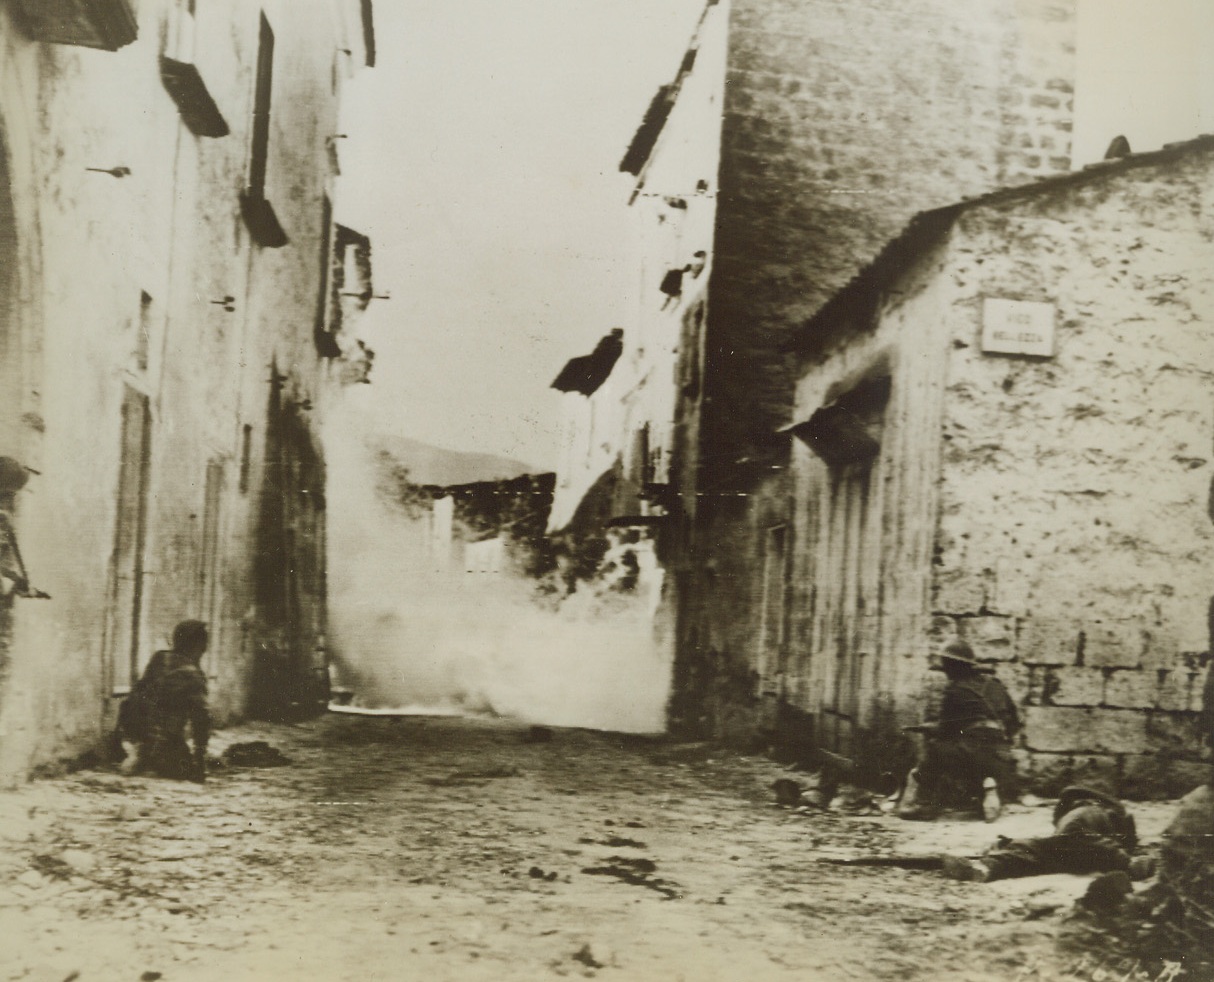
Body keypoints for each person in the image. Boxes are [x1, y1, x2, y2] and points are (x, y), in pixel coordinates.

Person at [898, 640, 1020, 821]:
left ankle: (924, 805)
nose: (945, 670)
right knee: (974, 754)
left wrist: (926, 728)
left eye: (947, 666)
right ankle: (988, 791)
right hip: (1003, 759)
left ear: (955, 667)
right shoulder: (996, 685)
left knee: (936, 749)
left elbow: (946, 730)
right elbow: (1015, 722)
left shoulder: (955, 690)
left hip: (973, 754)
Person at [941, 786, 1151, 882]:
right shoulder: (1082, 816)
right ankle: (986, 868)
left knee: (1053, 845)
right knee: (1043, 857)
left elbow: (1070, 797)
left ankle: (990, 865)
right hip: (1090, 849)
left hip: (1089, 826)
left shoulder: (1092, 809)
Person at [127, 620, 211, 782]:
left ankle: (141, 753)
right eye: (203, 646)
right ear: (196, 646)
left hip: (136, 736)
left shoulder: (159, 658)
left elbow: (138, 693)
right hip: (165, 744)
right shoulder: (192, 674)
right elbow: (202, 718)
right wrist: (200, 759)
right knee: (182, 768)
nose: (204, 651)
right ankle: (151, 758)